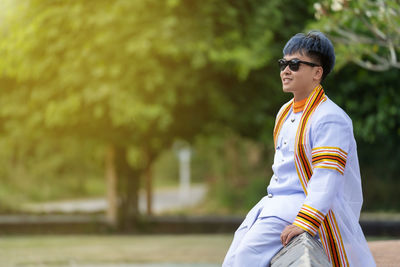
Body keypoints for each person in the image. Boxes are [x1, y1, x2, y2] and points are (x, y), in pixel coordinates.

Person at [222, 31, 376, 267]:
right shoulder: (284, 112)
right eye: (283, 63)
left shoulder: (330, 117)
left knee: (247, 256)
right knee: (233, 258)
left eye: (294, 64)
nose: (285, 70)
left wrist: (305, 222)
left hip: (303, 205)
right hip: (273, 203)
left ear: (317, 72)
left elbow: (327, 178)